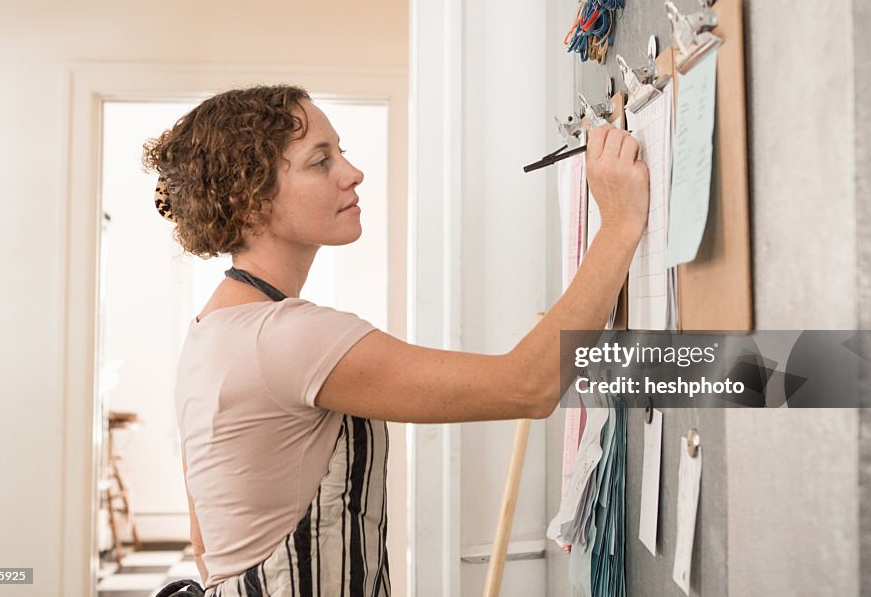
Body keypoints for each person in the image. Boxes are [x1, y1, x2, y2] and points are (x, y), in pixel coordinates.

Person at [144, 85, 648, 597]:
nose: (352, 172)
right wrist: (621, 223)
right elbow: (529, 385)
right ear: (250, 201)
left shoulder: (210, 331)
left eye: (341, 152)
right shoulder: (290, 337)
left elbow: (204, 541)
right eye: (321, 162)